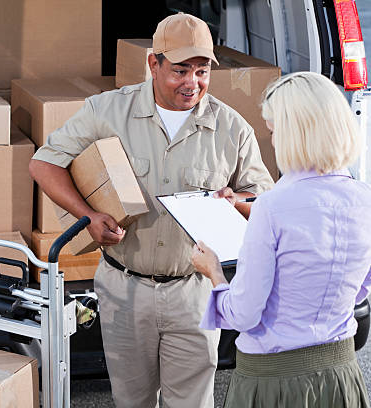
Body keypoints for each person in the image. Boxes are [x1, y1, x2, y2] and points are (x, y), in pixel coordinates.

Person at [29, 13, 274, 408]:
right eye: (180, 70)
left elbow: (267, 203)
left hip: (193, 293)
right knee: (131, 401)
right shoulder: (106, 111)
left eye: (201, 71)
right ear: (153, 64)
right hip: (125, 289)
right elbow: (44, 163)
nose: (192, 83)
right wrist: (87, 215)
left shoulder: (232, 129)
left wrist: (237, 203)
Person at [190, 71, 371, 408]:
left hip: (275, 381)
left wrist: (214, 273)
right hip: (341, 374)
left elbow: (243, 314)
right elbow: (360, 288)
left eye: (275, 130)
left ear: (295, 134)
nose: (274, 140)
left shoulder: (272, 208)